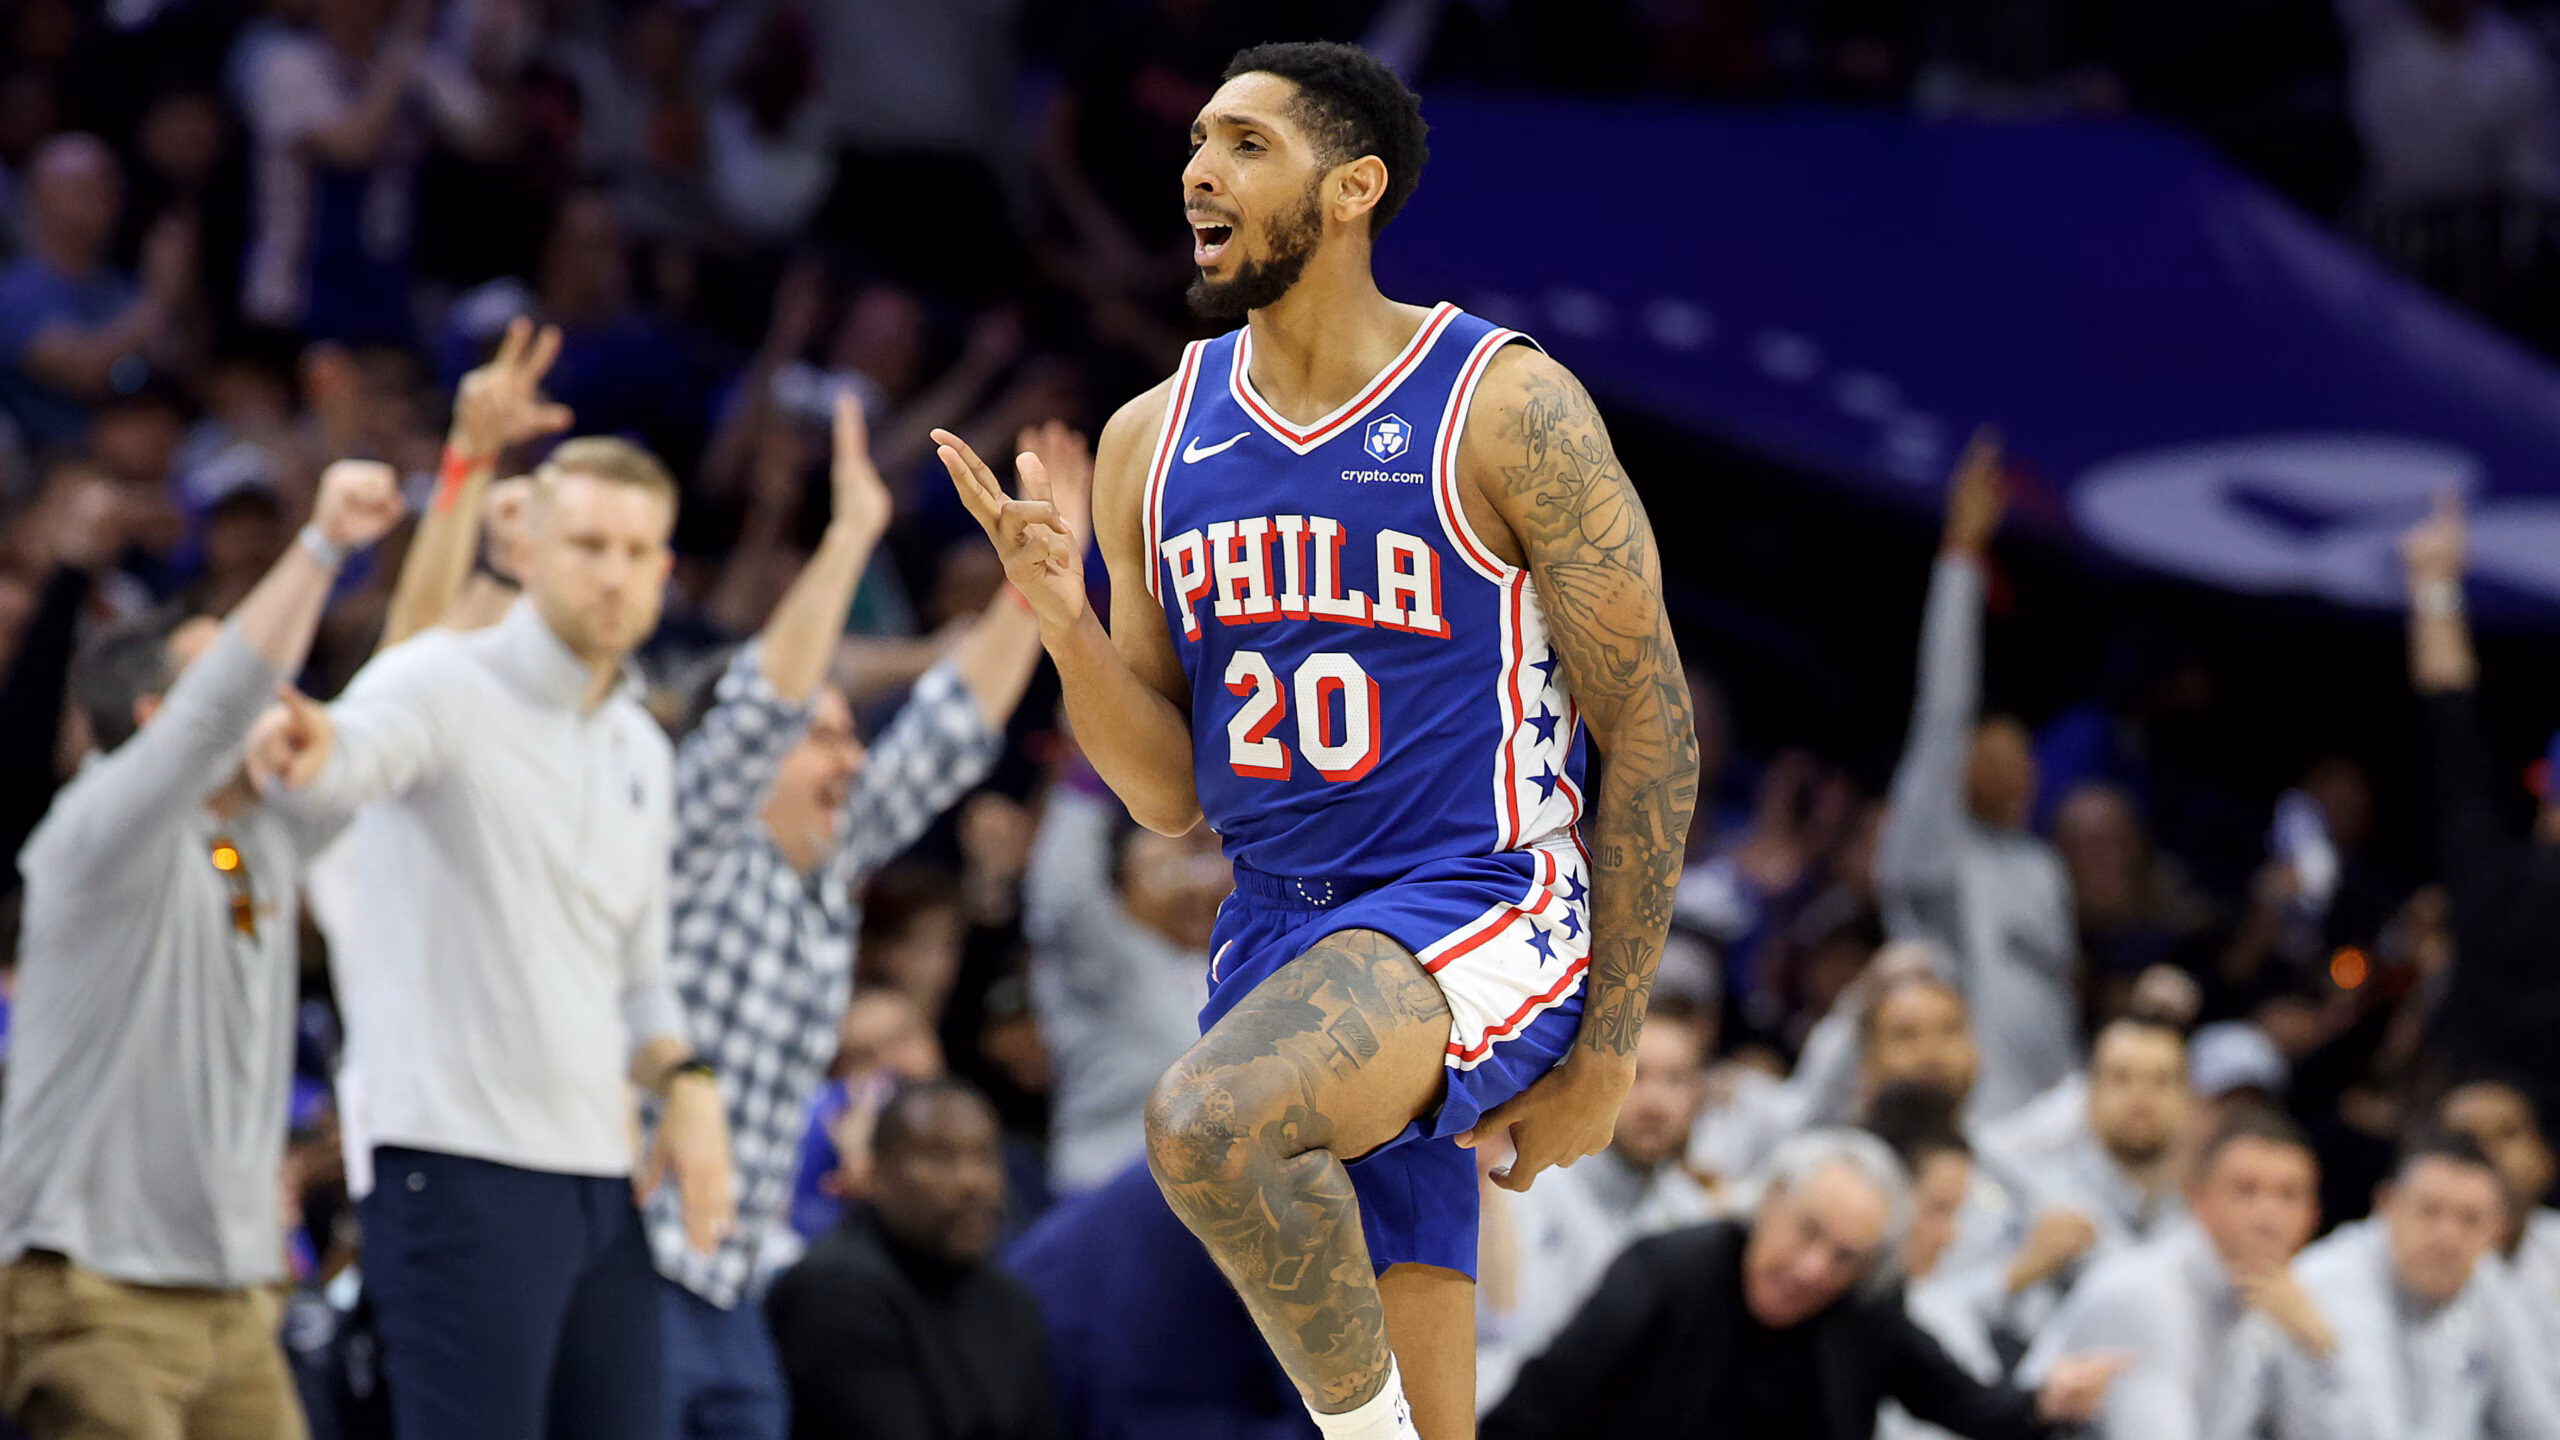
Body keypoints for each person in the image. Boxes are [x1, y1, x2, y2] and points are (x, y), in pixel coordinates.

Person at [936, 40, 1699, 1440]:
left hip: (1482, 899)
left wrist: (1610, 1045)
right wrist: (1062, 620)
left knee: (1208, 1123)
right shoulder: (1149, 440)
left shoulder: (1501, 405)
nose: (1197, 170)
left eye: (1244, 144)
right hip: (1281, 935)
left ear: (1353, 189)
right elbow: (1166, 796)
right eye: (1196, 142)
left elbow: (1651, 725)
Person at [249, 436, 736, 1440]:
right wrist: (310, 750)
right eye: (588, 544)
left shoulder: (639, 745)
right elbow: (345, 760)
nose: (613, 574)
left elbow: (639, 976)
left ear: (665, 569)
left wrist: (687, 1087)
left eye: (637, 551)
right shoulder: (438, 683)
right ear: (524, 548)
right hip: (454, 1161)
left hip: (598, 1176)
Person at [652, 400, 1074, 1440]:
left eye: (849, 739)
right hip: (641, 1271)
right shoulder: (689, 847)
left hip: (735, 1287)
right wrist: (848, 537)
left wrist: (1031, 584)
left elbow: (950, 729)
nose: (852, 758)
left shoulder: (827, 863)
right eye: (824, 738)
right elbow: (760, 704)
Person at [0, 459, 403, 1440]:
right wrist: (322, 545)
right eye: (240, 677)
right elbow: (218, 709)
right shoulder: (95, 833)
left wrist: (467, 477)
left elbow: (394, 713)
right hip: (93, 1294)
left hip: (231, 1299)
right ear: (155, 724)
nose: (274, 695)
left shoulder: (242, 840)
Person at [1480, 1129, 2120, 1439]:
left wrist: (2044, 1401)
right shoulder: (1666, 1271)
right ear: (1770, 1203)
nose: (1814, 1270)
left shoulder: (1864, 1309)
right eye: (1808, 1232)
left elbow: (1957, 1400)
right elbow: (1536, 1409)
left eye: (1844, 1257)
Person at [1875, 430, 2077, 1120]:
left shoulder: (2042, 869)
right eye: (1995, 755)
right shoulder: (1930, 846)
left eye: (2025, 757)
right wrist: (1961, 556)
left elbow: (2054, 1016)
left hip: (2042, 1132)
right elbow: (1944, 711)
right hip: (1961, 1122)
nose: (2018, 772)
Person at [764, 1077, 1059, 1440]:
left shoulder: (1012, 1304)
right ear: (876, 1173)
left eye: (984, 1156)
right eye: (939, 1157)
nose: (972, 1182)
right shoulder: (832, 1291)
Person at [2020, 1105, 2335, 1440]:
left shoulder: (2278, 1307)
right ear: (2196, 1197)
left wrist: (2318, 1355)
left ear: (2314, 1216)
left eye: (2289, 1196)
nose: (2267, 1216)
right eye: (2245, 1190)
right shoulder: (2146, 1294)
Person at [2401, 496, 2560, 1135]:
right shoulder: (2496, 879)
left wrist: (2433, 583)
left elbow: (2453, 716)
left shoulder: (2490, 877)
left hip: (2464, 1123)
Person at [1473, 1004, 1719, 1411]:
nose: (1656, 1103)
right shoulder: (1518, 1184)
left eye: (1676, 1080)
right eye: (1636, 1076)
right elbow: (1499, 1343)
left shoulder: (1696, 1221)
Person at [1026, 766, 1233, 1197]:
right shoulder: (1112, 958)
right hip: (1107, 1182)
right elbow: (1065, 895)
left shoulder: (1233, 967)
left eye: (1198, 866)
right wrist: (1087, 775)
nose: (1191, 888)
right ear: (1122, 893)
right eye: (1165, 874)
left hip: (1206, 1197)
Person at [2278, 1130, 2560, 1440]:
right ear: (2386, 1205)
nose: (2447, 1238)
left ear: (2497, 1230)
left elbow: (2537, 1419)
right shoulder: (2329, 1280)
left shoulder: (2484, 1278)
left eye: (2470, 1219)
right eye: (2430, 1211)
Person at [0, 133, 194, 450]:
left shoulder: (117, 286)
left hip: (150, 448)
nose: (102, 198)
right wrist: (161, 299)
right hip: (55, 458)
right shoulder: (13, 291)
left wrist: (184, 285)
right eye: (82, 188)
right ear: (35, 198)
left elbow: (177, 365)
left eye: (109, 186)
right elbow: (83, 372)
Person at [2439, 1081, 2560, 1355]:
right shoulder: (2385, 1256)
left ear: (2546, 1161)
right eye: (2466, 1138)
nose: (2487, 1152)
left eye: (2507, 1133)